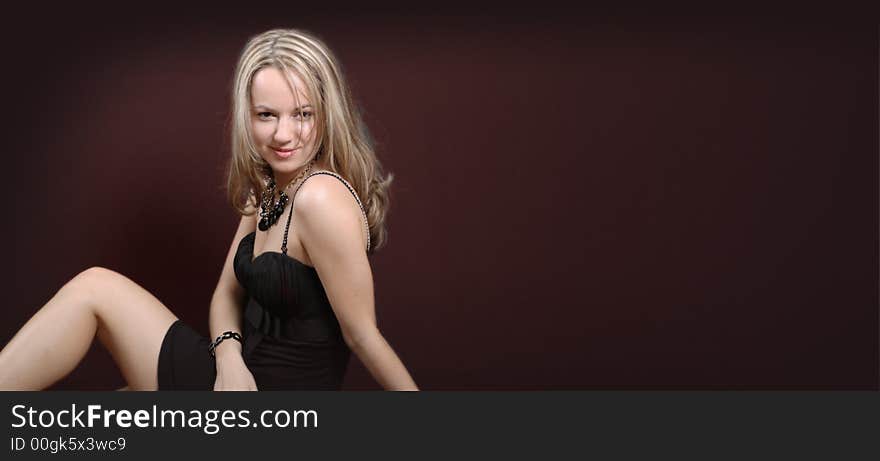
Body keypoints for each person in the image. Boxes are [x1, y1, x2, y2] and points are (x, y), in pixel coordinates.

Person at [0, 28, 419, 391]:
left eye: (303, 114)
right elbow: (224, 296)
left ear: (328, 115)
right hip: (233, 379)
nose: (283, 134)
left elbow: (363, 335)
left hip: (274, 404)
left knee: (94, 288)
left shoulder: (320, 198)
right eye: (266, 115)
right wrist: (230, 360)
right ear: (247, 117)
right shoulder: (270, 188)